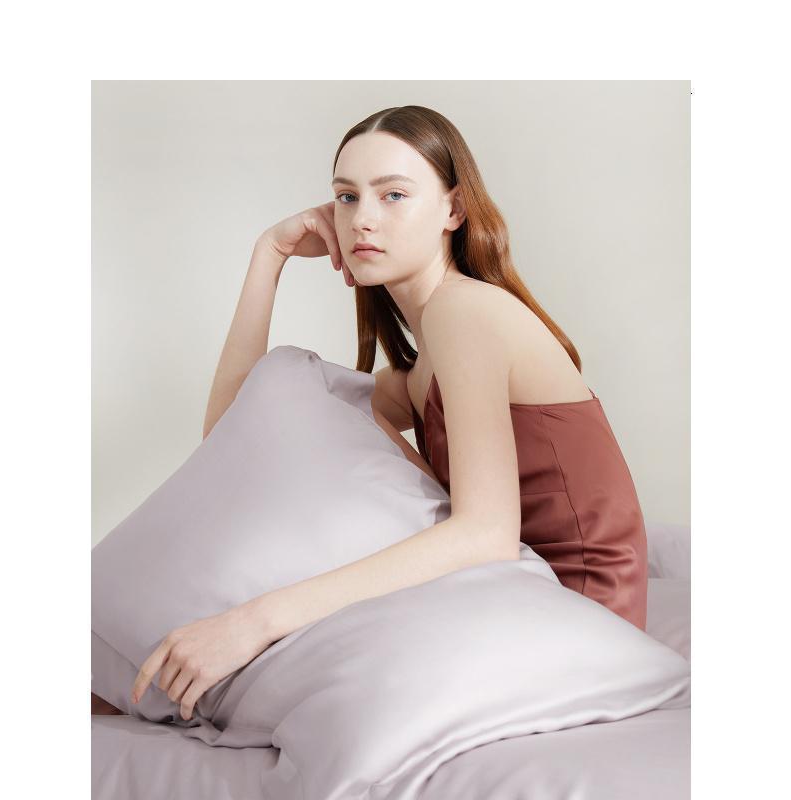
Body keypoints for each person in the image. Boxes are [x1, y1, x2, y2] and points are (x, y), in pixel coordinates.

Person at [93, 104, 648, 718]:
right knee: (292, 389)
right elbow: (233, 437)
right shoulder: (420, 368)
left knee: (258, 657)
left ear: (454, 210)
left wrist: (254, 622)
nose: (362, 219)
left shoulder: (464, 312)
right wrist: (267, 257)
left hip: (580, 613)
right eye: (346, 197)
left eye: (394, 195)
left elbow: (486, 534)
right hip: (509, 591)